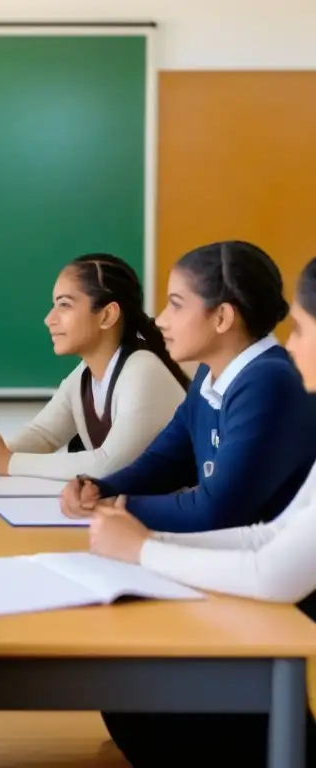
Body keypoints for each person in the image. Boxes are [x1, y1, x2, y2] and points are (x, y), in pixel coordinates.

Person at [86, 255, 316, 765]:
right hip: (260, 581)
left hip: (282, 606)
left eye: (301, 328)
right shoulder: (212, 380)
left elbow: (251, 544)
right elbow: (268, 536)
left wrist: (140, 541)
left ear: (222, 317)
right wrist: (108, 497)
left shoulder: (270, 378)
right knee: (131, 705)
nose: (291, 342)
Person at [61, 240, 316, 534]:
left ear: (222, 318)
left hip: (274, 569)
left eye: (176, 305)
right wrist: (98, 488)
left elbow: (215, 512)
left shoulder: (270, 381)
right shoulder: (212, 373)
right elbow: (166, 461)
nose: (161, 320)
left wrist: (119, 506)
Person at [0, 254, 189, 480]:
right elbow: (44, 435)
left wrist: (5, 462)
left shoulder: (142, 370)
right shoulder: (84, 376)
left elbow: (108, 465)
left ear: (107, 315)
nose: (49, 319)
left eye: (64, 305)